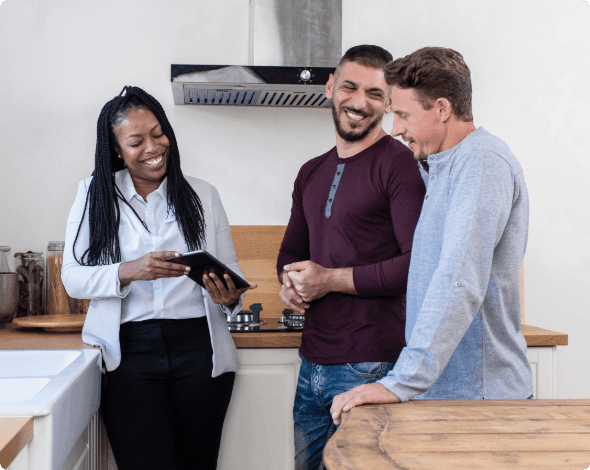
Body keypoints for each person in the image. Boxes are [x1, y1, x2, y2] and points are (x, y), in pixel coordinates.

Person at [330, 47, 533, 424]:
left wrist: (401, 382)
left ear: (441, 109)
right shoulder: (441, 166)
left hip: (479, 400)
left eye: (404, 115)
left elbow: (460, 279)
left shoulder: (482, 162)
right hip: (448, 393)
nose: (396, 129)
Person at [62, 86, 256, 470]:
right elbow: (73, 278)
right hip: (130, 355)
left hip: (200, 352)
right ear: (117, 149)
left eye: (158, 133)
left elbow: (234, 278)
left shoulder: (203, 195)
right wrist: (130, 271)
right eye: (136, 141)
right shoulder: (93, 195)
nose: (153, 146)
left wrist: (229, 296)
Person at [276, 45, 426, 470]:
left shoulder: (401, 165)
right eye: (350, 87)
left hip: (372, 365)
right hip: (311, 365)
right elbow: (290, 252)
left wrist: (329, 280)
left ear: (390, 101)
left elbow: (416, 265)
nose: (360, 103)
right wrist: (291, 283)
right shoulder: (310, 171)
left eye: (375, 94)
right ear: (330, 87)